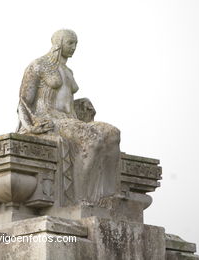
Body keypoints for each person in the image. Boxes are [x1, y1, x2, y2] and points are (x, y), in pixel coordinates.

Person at [17, 29, 121, 205]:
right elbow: (23, 102)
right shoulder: (38, 65)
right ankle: (81, 197)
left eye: (76, 44)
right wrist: (31, 126)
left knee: (113, 133)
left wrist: (83, 103)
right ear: (58, 43)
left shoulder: (68, 71)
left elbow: (65, 100)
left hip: (71, 119)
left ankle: (109, 195)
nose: (74, 47)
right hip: (49, 118)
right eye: (70, 43)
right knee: (91, 138)